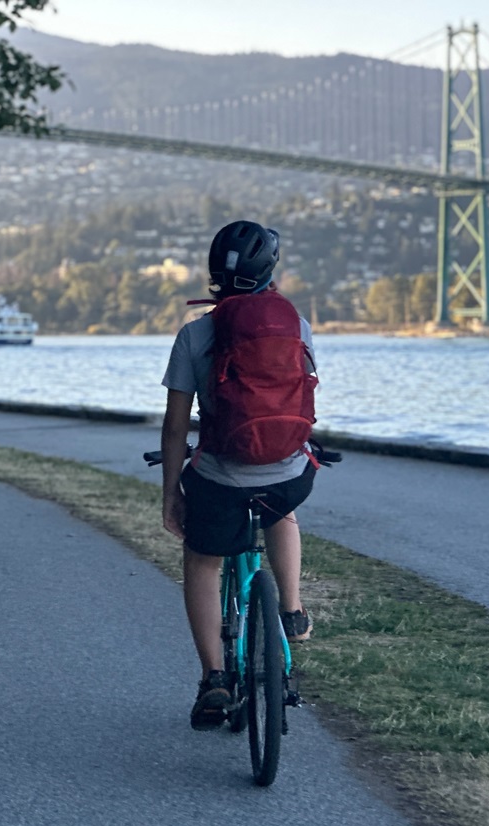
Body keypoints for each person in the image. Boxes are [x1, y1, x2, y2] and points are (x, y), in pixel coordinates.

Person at [160, 220, 318, 731]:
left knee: (203, 560)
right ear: (269, 272)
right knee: (281, 505)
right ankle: (292, 611)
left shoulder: (194, 335)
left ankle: (215, 679)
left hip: (222, 478)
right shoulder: (295, 324)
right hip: (288, 472)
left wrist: (171, 495)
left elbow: (175, 425)